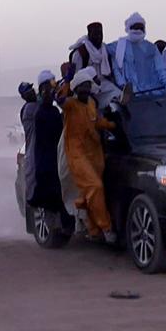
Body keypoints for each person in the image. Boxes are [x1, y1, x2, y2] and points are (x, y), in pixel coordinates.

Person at [62, 67, 118, 244]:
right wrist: (65, 83)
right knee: (95, 186)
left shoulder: (92, 104)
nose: (85, 89)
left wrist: (113, 124)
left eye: (88, 86)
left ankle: (92, 229)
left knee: (91, 192)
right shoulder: (70, 104)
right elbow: (60, 99)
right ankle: (106, 228)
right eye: (82, 86)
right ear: (76, 88)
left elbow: (97, 122)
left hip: (95, 153)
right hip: (77, 155)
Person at [28, 75, 69, 221]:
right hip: (48, 160)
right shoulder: (40, 113)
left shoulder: (50, 112)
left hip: (51, 158)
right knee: (53, 194)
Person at [107, 12, 166, 98]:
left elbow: (161, 69)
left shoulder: (151, 48)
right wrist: (123, 86)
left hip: (154, 92)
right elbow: (115, 68)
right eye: (135, 27)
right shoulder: (119, 46)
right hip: (132, 94)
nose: (138, 30)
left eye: (140, 27)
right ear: (129, 28)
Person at [69, 22, 122, 106]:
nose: (99, 37)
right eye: (95, 34)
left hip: (103, 83)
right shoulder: (81, 52)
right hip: (86, 85)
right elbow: (77, 76)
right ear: (89, 34)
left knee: (118, 94)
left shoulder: (105, 49)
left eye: (100, 34)